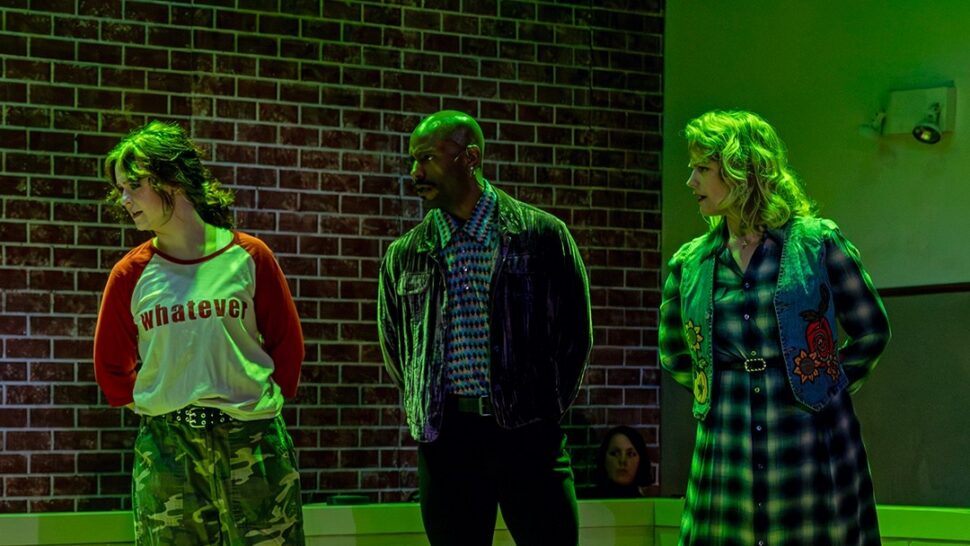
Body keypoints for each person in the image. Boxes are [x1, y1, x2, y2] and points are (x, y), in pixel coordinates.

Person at [660, 110, 891, 545]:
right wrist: (722, 389)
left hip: (810, 444)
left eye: (703, 168)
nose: (690, 181)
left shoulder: (816, 243)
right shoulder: (691, 263)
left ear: (741, 170)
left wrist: (824, 385)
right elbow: (673, 351)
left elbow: (872, 330)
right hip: (727, 450)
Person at [377, 110, 592, 546]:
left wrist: (541, 407)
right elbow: (397, 348)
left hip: (527, 434)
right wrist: (430, 404)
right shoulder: (406, 254)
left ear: (470, 157)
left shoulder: (541, 236)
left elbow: (574, 336)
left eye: (427, 158)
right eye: (412, 160)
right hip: (448, 440)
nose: (415, 172)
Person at [93, 121, 305, 545]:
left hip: (252, 441)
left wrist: (251, 405)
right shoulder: (130, 274)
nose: (124, 199)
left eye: (134, 185)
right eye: (120, 189)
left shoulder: (248, 256)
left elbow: (288, 347)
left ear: (172, 178)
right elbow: (111, 369)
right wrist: (166, 404)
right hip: (168, 451)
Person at [586, 426, 653, 499]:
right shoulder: (585, 502)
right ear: (604, 458)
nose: (622, 461)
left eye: (630, 454)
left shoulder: (646, 504)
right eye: (615, 454)